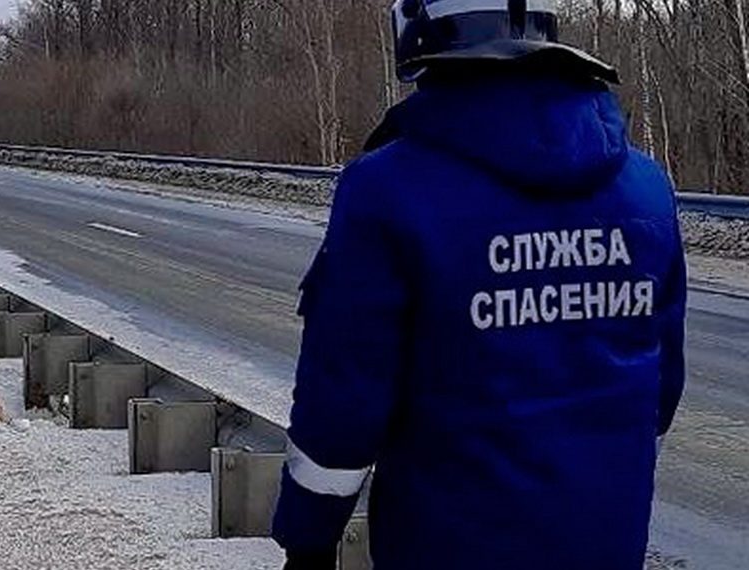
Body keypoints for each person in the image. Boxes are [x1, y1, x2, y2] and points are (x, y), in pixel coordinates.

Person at [270, 0, 687, 568]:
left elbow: (344, 400)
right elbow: (659, 394)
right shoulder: (647, 189)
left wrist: (308, 539)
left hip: (446, 545)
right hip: (605, 546)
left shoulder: (388, 189)